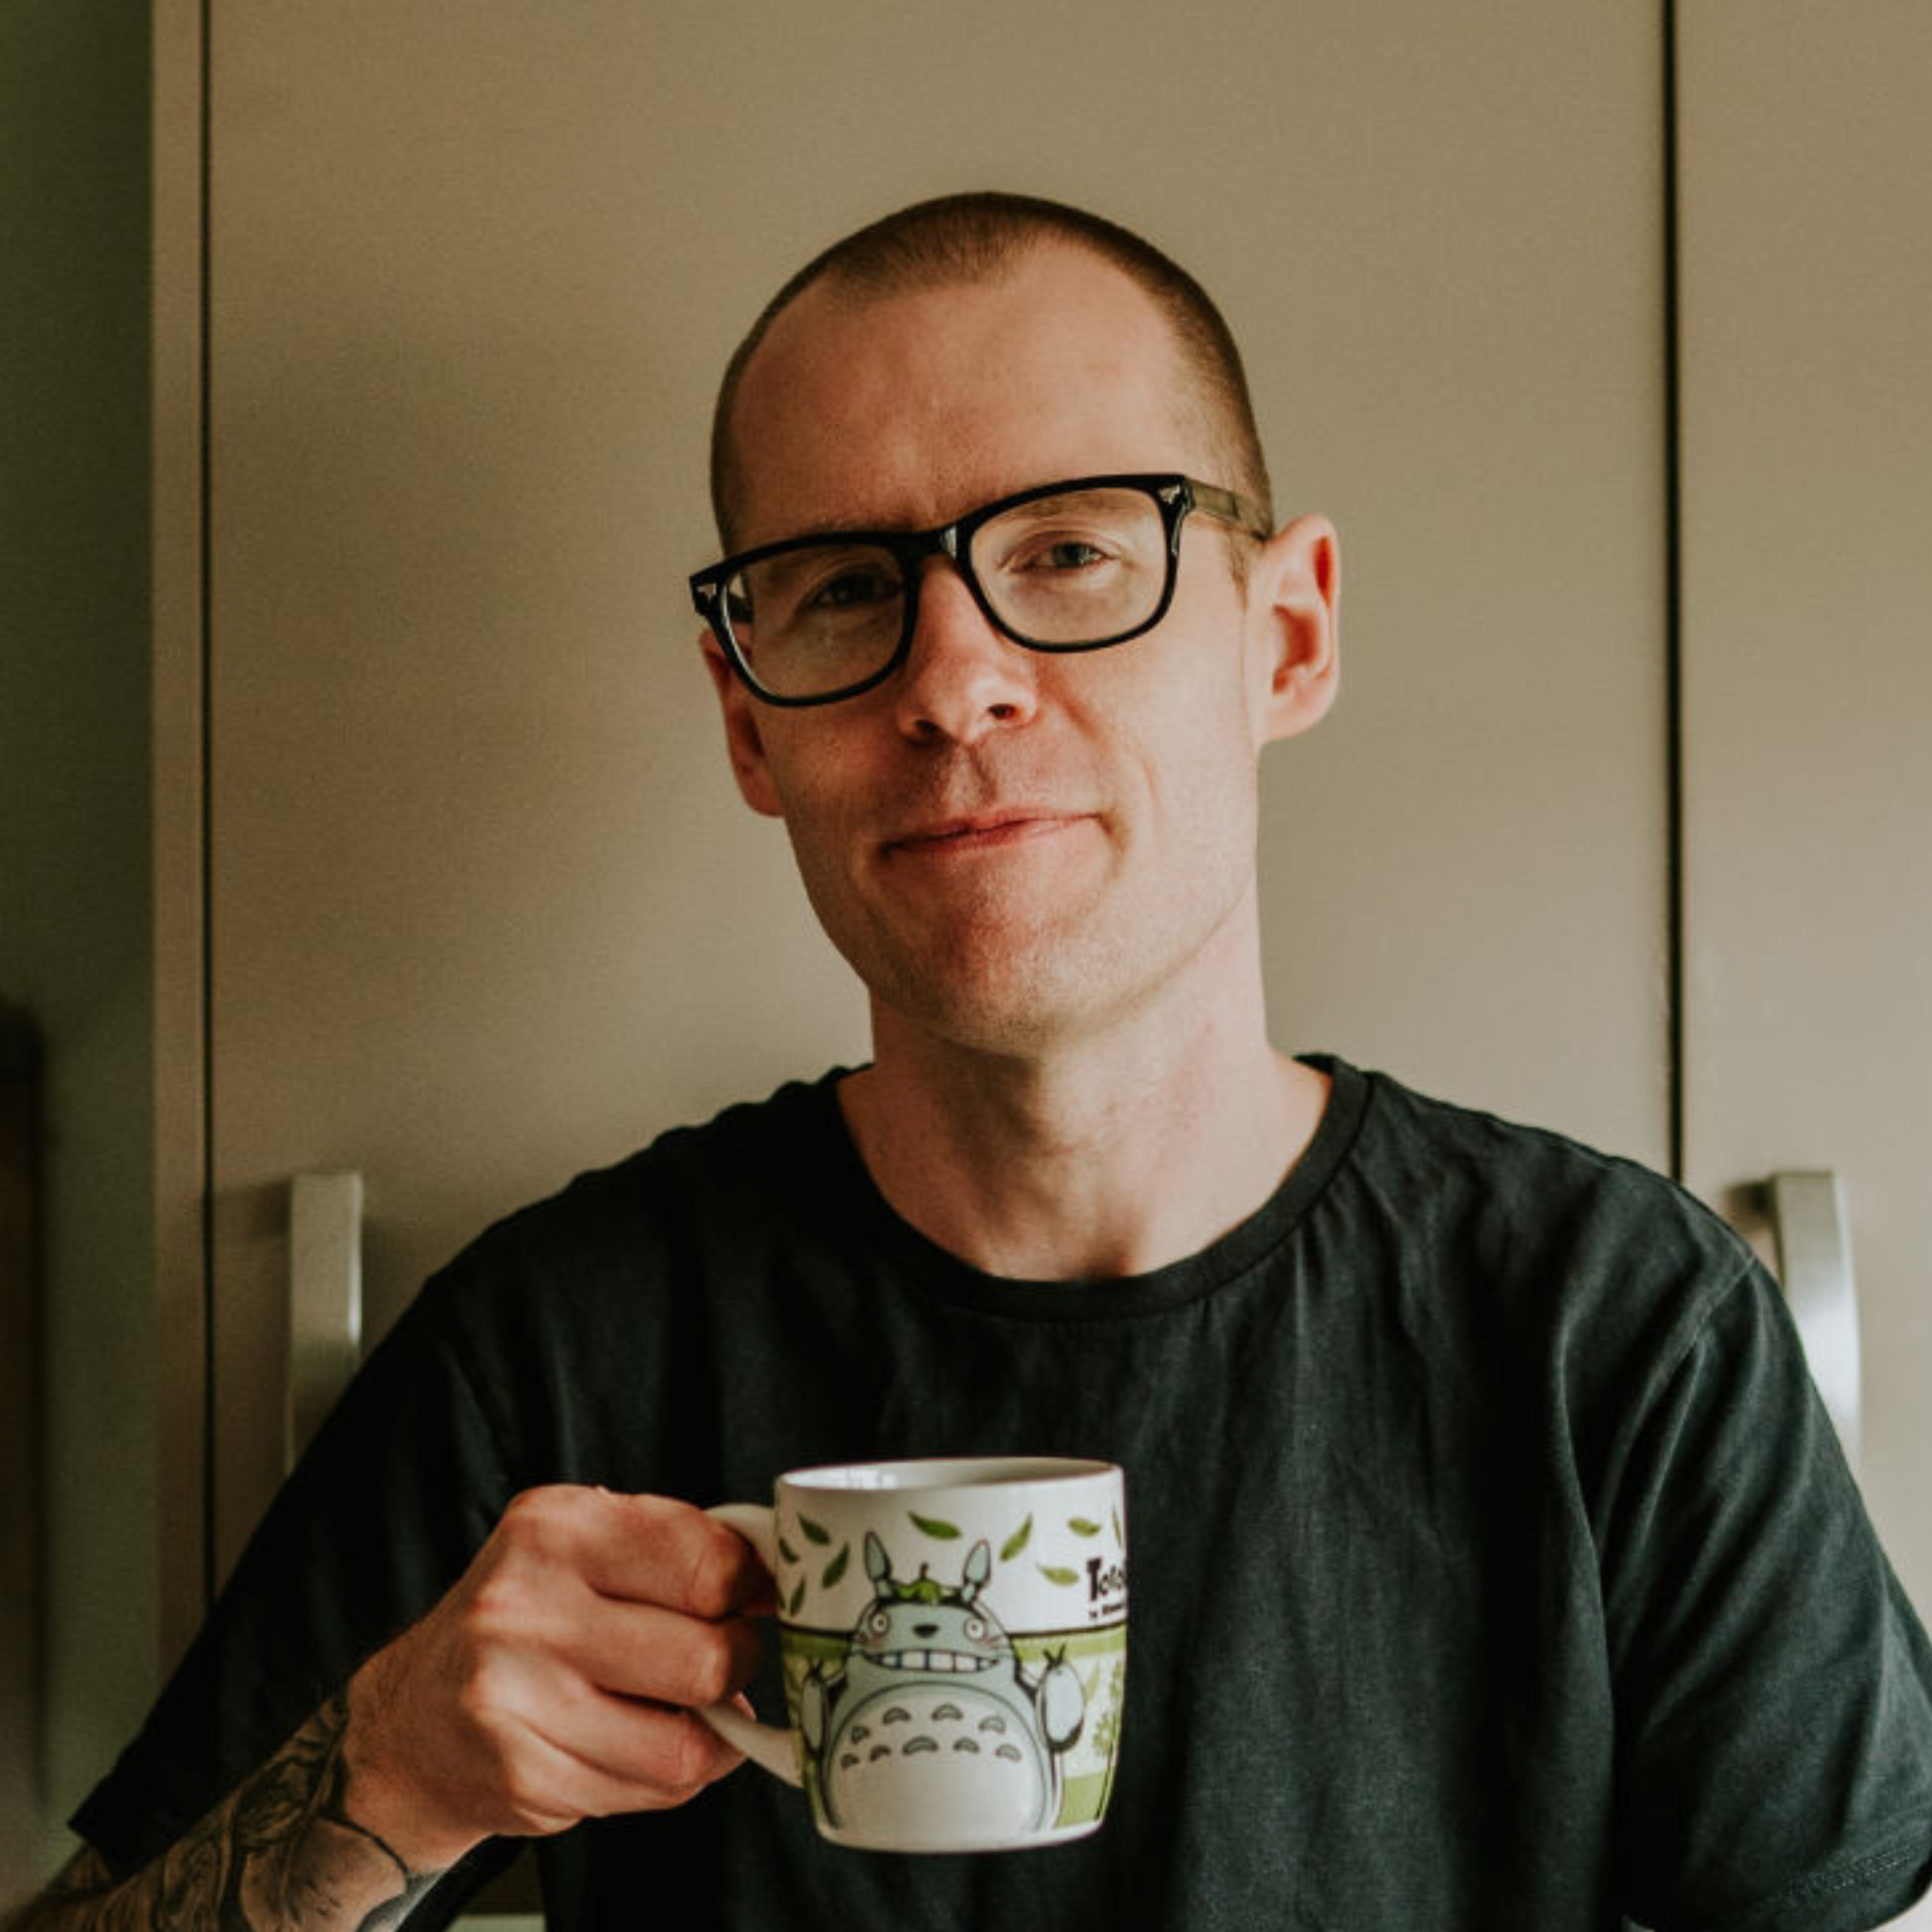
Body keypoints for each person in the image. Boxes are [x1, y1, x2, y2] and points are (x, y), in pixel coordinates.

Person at [13, 192, 1932, 1932]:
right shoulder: (561, 1344)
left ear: (1285, 633)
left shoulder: (1614, 1326)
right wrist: (394, 1774)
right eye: (844, 590)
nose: (952, 680)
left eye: (1073, 550)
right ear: (750, 722)